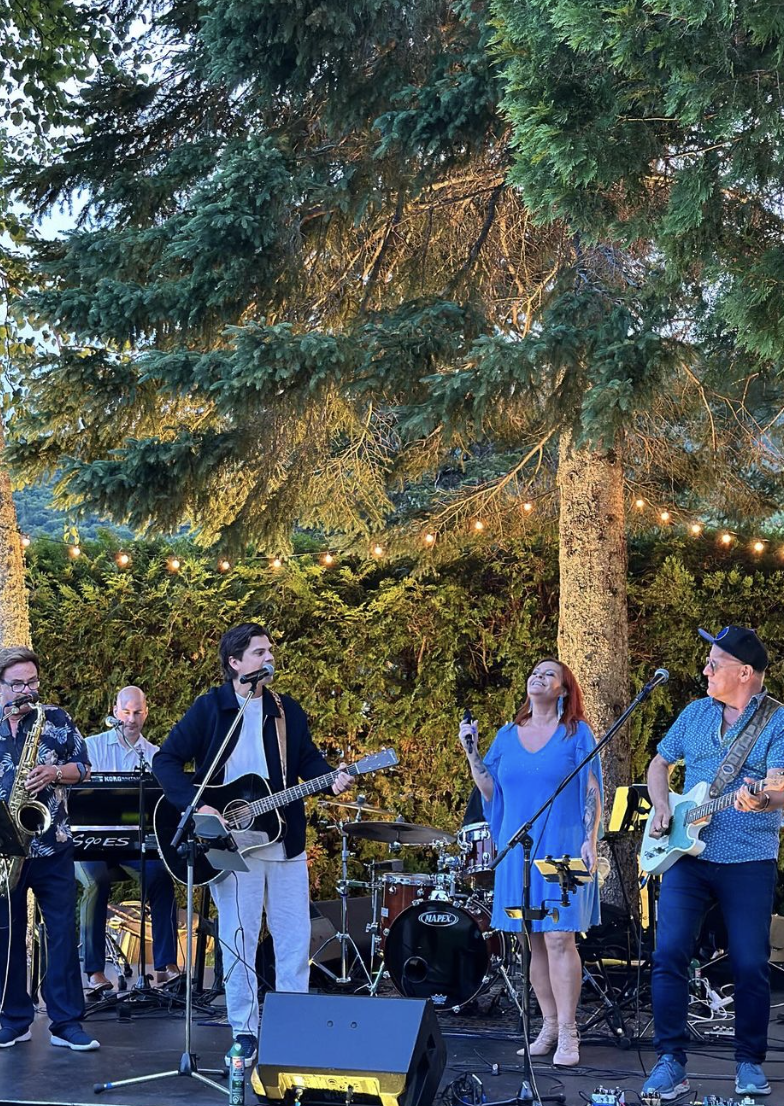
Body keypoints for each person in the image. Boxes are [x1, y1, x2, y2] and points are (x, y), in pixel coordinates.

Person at [153, 622, 352, 1068]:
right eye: (258, 652)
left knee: (294, 935)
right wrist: (198, 806)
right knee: (237, 937)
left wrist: (332, 778)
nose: (268, 658)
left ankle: (293, 1025)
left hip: (282, 841)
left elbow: (307, 761)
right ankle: (245, 1029)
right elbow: (165, 760)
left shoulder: (286, 710)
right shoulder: (211, 708)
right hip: (229, 844)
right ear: (235, 663)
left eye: (269, 650)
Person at [642, 626, 784, 1100]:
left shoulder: (777, 722)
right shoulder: (696, 712)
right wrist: (662, 807)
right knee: (668, 955)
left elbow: (780, 787)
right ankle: (670, 1061)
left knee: (749, 963)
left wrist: (761, 800)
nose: (704, 670)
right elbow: (659, 764)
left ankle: (749, 1063)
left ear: (744, 673)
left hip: (749, 858)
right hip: (686, 855)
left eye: (714, 663)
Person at [459, 657, 602, 1067]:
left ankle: (570, 1033)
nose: (537, 677)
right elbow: (489, 788)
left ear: (563, 689)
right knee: (532, 940)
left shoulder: (577, 733)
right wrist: (471, 751)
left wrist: (591, 840)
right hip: (516, 851)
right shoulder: (507, 734)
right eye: (533, 673)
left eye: (548, 675)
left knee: (560, 937)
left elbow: (592, 787)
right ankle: (549, 1027)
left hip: (563, 848)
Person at [0, 646, 99, 1052]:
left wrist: (56, 772)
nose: (27, 691)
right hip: (4, 851)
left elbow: (85, 768)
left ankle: (65, 1022)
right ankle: (13, 1019)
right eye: (18, 683)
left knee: (61, 932)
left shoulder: (54, 719)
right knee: (6, 936)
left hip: (51, 843)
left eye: (33, 682)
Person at [75, 686, 180, 992]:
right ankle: (93, 970)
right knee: (96, 882)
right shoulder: (91, 748)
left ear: (146, 712)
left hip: (132, 843)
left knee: (161, 877)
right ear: (115, 711)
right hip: (89, 842)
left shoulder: (155, 756)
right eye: (126, 712)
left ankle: (164, 966)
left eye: (137, 712)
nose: (131, 719)